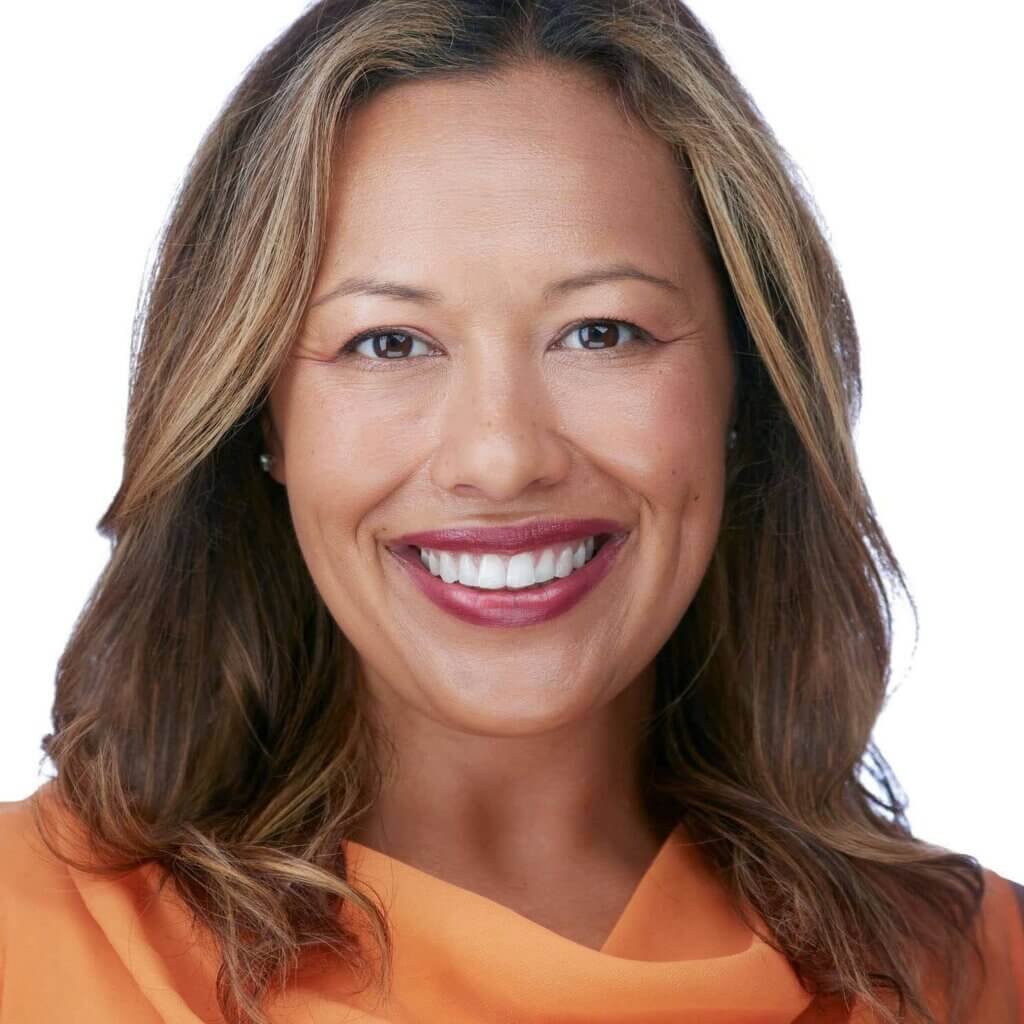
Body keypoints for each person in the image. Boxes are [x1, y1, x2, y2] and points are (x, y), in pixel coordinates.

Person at [0, 1, 1020, 1022]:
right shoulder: (27, 936)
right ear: (258, 414)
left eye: (600, 331)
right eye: (388, 343)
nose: (500, 456)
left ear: (743, 386)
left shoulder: (978, 973)